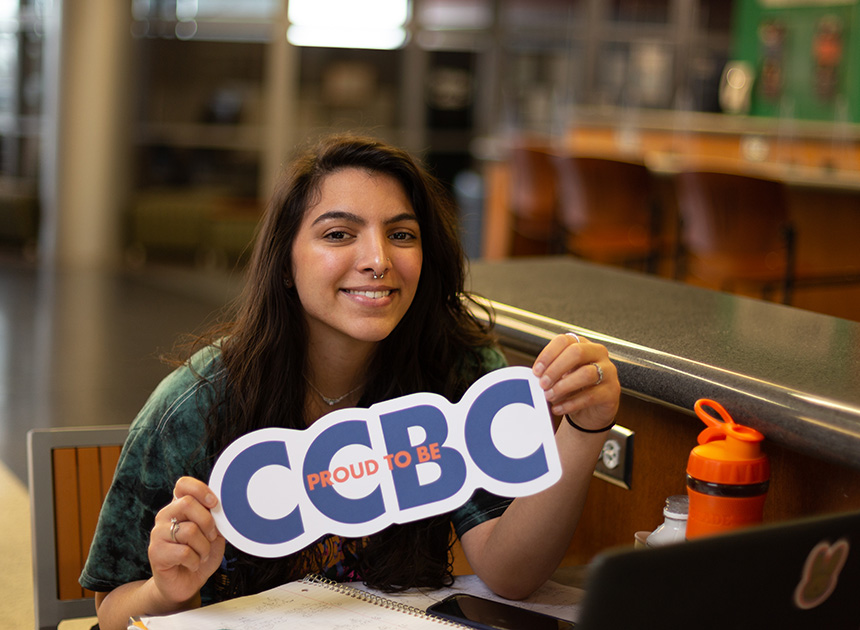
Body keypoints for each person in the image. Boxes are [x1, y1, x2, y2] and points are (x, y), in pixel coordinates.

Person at [80, 134, 620, 630]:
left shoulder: (460, 373)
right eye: (339, 234)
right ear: (286, 262)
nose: (378, 260)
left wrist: (583, 429)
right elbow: (110, 613)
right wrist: (167, 590)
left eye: (401, 234)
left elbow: (510, 573)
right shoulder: (196, 405)